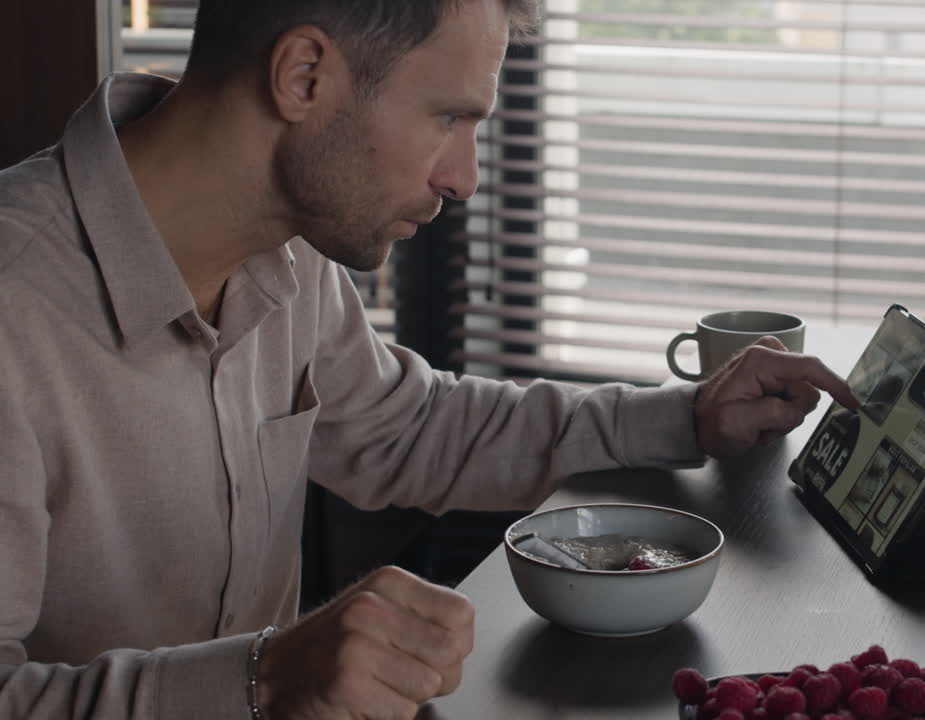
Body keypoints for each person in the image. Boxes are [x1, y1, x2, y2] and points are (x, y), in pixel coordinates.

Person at [0, 0, 860, 717]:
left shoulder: (287, 257)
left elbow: (412, 429)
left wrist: (686, 415)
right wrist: (265, 680)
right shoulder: (15, 308)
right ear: (303, 76)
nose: (467, 177)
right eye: (450, 117)